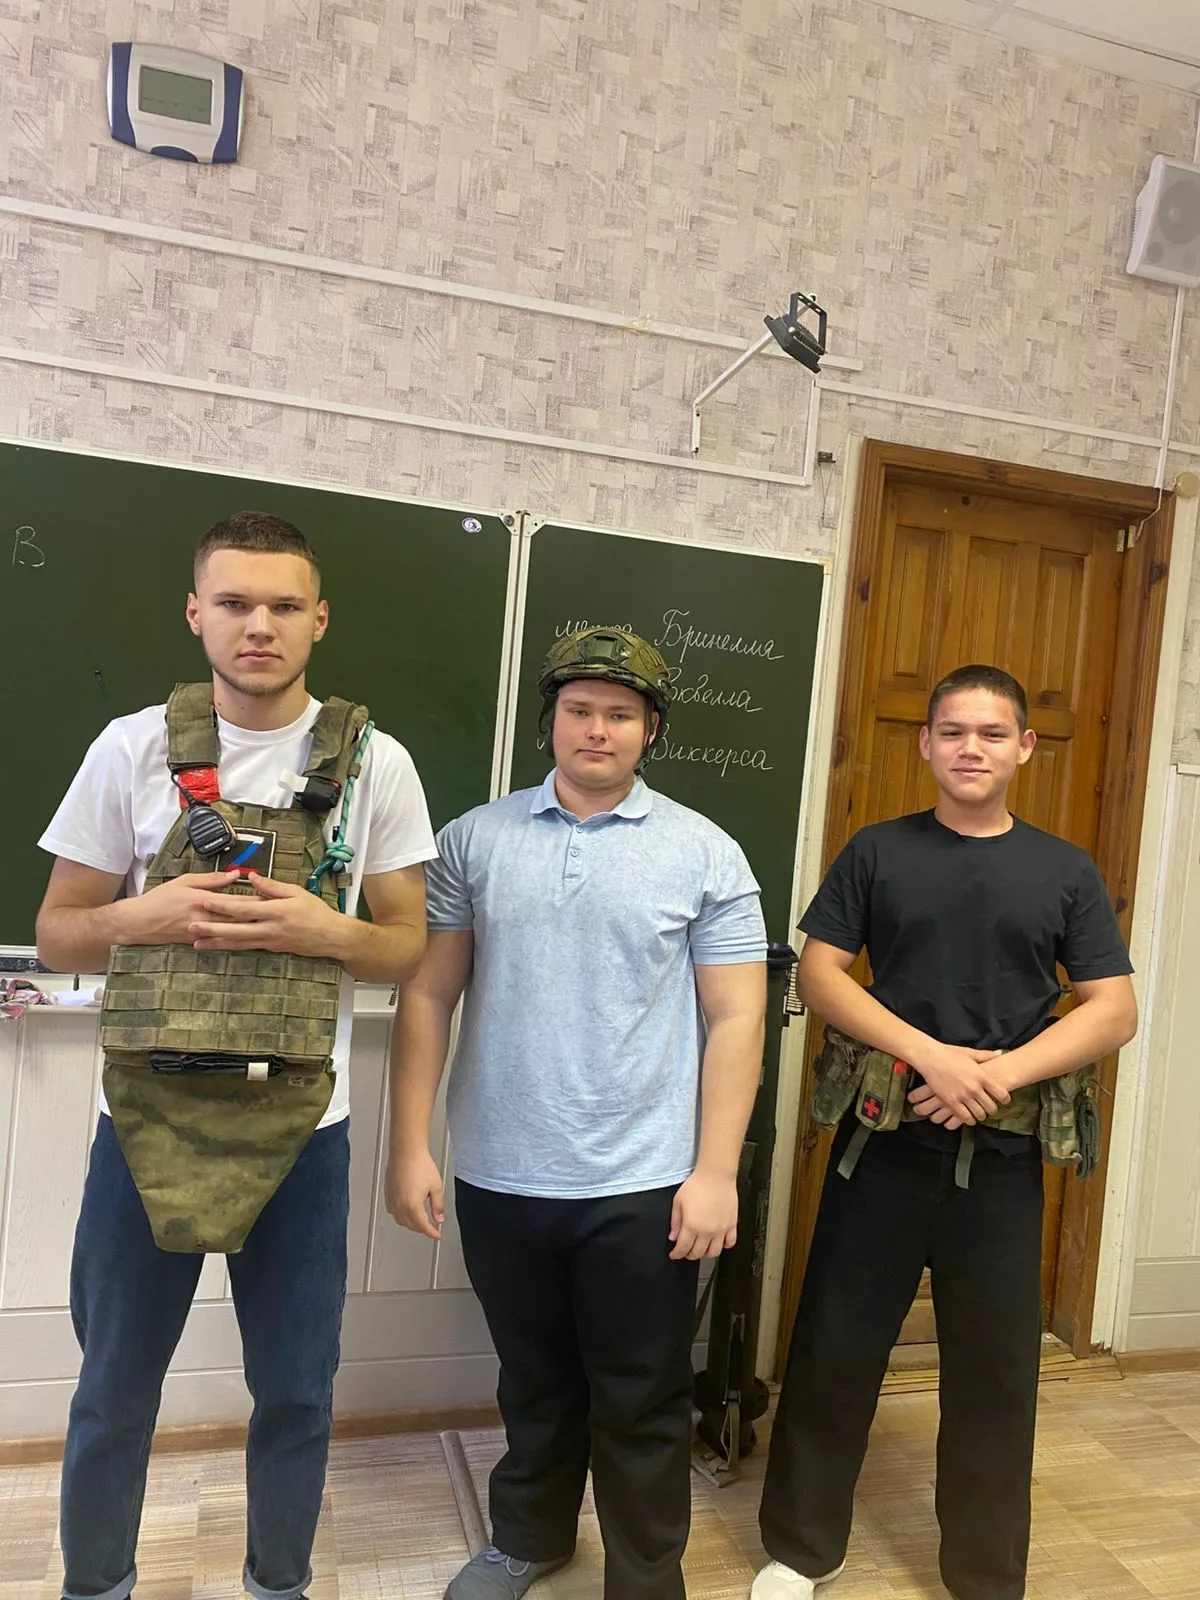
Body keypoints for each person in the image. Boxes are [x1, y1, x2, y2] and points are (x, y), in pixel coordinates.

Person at [36, 511, 437, 1600]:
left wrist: (326, 932)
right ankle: (96, 1588)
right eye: (234, 602)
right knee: (114, 1391)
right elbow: (59, 934)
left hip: (304, 1128)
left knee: (298, 1392)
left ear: (320, 619)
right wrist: (149, 914)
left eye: (282, 605)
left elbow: (407, 950)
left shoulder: (378, 764)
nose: (259, 625)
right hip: (144, 1122)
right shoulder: (130, 748)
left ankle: (278, 1585)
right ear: (194, 613)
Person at [387, 626, 768, 1600]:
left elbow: (736, 1017)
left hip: (645, 1180)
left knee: (643, 1395)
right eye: (580, 710)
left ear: (651, 730)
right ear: (550, 720)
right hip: (501, 1170)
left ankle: (646, 1575)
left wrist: (715, 1171)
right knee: (534, 1378)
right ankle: (530, 1538)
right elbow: (428, 994)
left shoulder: (705, 852)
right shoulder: (474, 841)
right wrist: (410, 1146)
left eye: (621, 714)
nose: (598, 729)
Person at [752, 663, 1138, 1600]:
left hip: (1001, 1161)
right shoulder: (877, 851)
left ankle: (983, 1575)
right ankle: (802, 1550)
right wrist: (931, 1056)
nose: (972, 749)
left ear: (1025, 748)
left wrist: (993, 1074)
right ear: (925, 743)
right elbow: (821, 975)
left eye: (992, 733)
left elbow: (1114, 1009)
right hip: (879, 1144)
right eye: (954, 732)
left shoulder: (1064, 870)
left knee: (996, 1374)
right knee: (835, 1350)